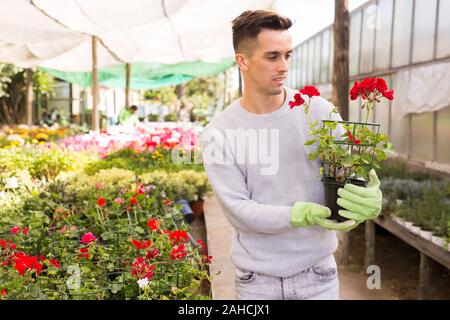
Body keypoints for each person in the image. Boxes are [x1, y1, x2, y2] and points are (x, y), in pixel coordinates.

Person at [201, 10, 383, 300]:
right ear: (243, 61)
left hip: (318, 276)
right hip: (257, 283)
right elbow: (238, 210)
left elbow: (348, 173)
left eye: (288, 55)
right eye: (272, 56)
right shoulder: (219, 132)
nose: (284, 66)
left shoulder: (319, 111)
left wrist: (366, 195)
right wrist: (299, 214)